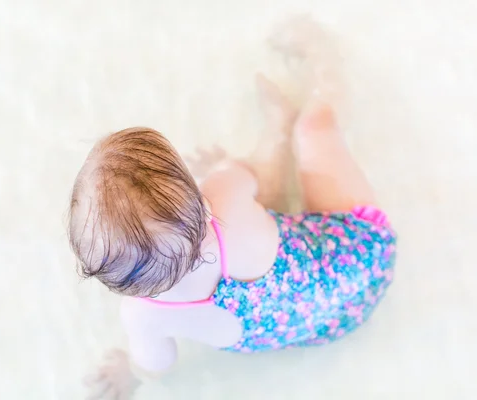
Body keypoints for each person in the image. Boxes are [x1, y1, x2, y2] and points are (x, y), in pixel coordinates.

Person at [69, 18, 397, 400]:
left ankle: (280, 123)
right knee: (313, 131)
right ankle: (313, 76)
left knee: (264, 209)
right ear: (197, 196)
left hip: (329, 324)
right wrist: (223, 169)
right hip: (363, 260)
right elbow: (258, 176)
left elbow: (154, 363)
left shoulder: (144, 315)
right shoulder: (224, 194)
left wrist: (130, 372)